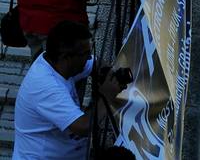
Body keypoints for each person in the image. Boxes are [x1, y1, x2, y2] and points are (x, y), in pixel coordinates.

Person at [13, 20, 125, 160]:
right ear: (66, 57)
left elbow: (95, 63)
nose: (89, 57)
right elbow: (83, 127)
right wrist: (106, 96)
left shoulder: (56, 62)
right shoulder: (46, 87)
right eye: (85, 54)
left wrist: (108, 74)